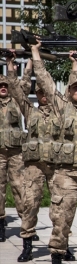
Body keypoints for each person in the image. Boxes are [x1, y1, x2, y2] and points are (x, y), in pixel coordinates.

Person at [29, 42, 77, 264]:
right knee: (60, 222)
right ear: (69, 91)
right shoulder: (60, 108)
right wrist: (36, 53)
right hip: (66, 176)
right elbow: (45, 80)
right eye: (76, 88)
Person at [6, 56, 66, 261]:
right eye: (39, 93)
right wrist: (10, 66)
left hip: (57, 167)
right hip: (34, 167)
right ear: (36, 94)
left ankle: (62, 246)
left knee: (60, 208)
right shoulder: (30, 111)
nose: (43, 96)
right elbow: (15, 89)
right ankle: (27, 244)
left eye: (45, 93)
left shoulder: (61, 113)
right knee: (29, 204)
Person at [0, 60, 26, 244]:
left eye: (5, 85)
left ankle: (27, 226)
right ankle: (0, 225)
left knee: (20, 188)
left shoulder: (17, 101)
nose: (2, 88)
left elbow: (22, 84)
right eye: (0, 85)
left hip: (17, 152)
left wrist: (28, 62)